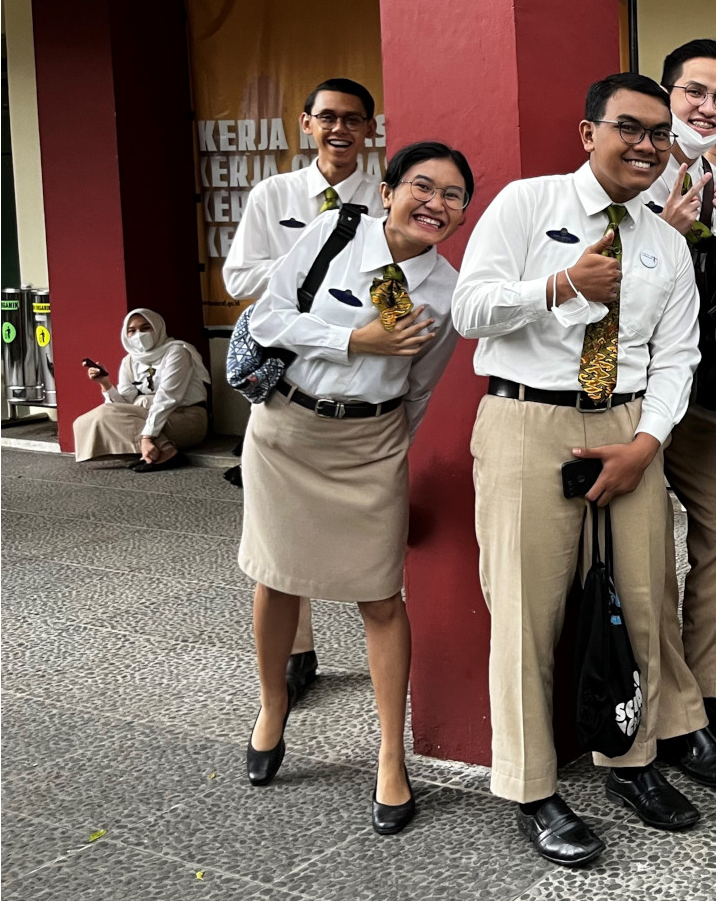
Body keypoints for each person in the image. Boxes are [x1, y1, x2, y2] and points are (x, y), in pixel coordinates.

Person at [452, 74, 713, 865]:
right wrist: (561, 285)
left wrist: (648, 443)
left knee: (643, 603)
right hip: (529, 421)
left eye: (659, 134)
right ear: (586, 131)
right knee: (528, 614)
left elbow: (679, 356)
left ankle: (631, 761)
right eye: (628, 127)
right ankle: (532, 789)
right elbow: (469, 309)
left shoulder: (666, 243)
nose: (645, 145)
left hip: (630, 424)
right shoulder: (527, 207)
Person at [237, 140, 471, 837]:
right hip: (288, 433)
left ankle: (391, 756)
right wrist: (354, 343)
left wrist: (391, 451)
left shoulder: (447, 291)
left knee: (380, 596)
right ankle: (273, 707)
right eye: (422, 186)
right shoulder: (332, 232)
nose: (435, 203)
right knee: (277, 578)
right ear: (391, 188)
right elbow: (266, 318)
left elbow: (421, 388)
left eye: (453, 195)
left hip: (371, 446)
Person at [222, 77, 384, 705]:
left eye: (353, 119)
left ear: (370, 129)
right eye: (328, 118)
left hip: (355, 378)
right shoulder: (276, 195)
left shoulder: (383, 197)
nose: (340, 129)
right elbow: (239, 277)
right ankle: (298, 647)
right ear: (306, 124)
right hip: (284, 376)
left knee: (357, 537)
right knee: (281, 528)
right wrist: (311, 265)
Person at [641, 39, 716, 780]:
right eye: (693, 93)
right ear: (667, 95)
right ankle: (667, 702)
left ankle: (712, 687)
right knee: (648, 557)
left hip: (703, 395)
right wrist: (664, 239)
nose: (706, 108)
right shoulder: (634, 171)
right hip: (632, 397)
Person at [74, 309, 209, 471]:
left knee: (108, 413)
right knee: (84, 421)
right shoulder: (130, 360)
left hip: (186, 418)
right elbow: (122, 406)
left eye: (146, 328)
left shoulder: (177, 351)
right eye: (132, 331)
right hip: (151, 418)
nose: (139, 335)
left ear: (158, 328)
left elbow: (168, 397)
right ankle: (156, 450)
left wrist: (147, 437)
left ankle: (166, 451)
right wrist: (105, 384)